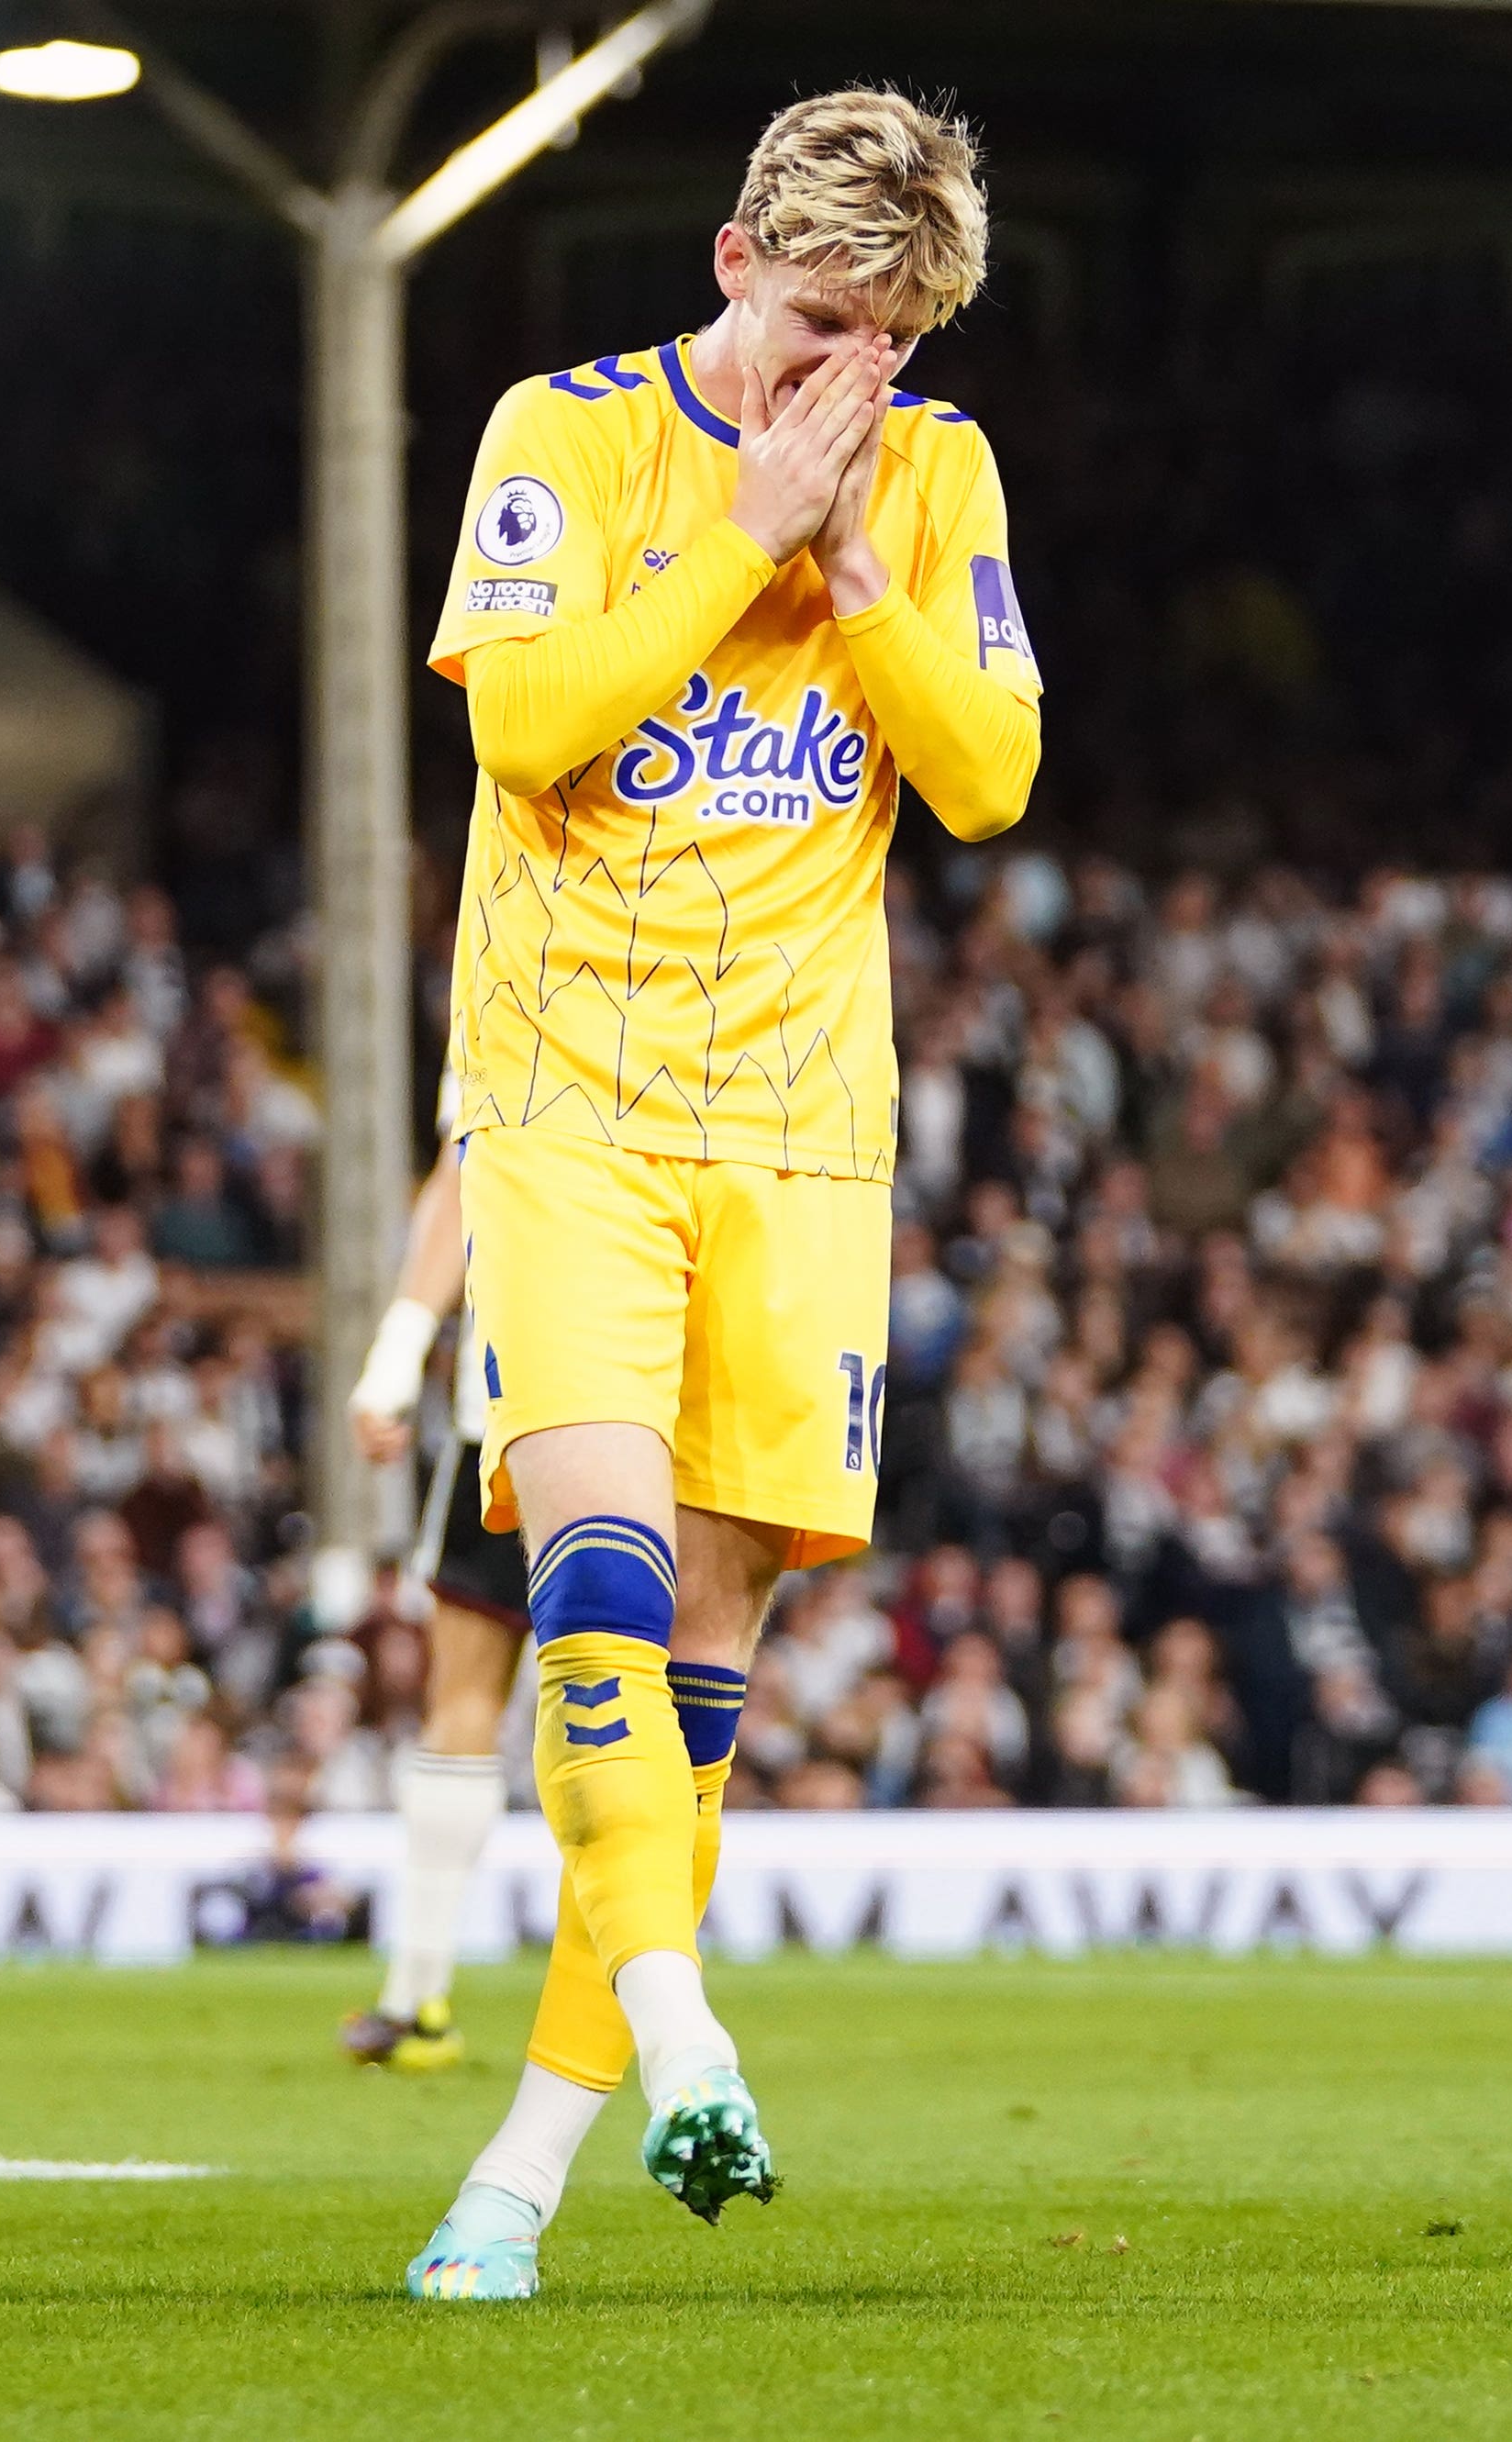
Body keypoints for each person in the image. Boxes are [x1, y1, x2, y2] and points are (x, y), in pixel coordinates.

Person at [402, 87, 1036, 2303]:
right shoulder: (560, 436)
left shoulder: (934, 479)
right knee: (583, 1566)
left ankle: (515, 2179)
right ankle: (681, 2025)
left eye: (884, 342)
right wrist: (735, 530)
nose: (839, 378)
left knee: (698, 1668)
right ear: (729, 264)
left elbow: (988, 773)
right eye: (813, 323)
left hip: (803, 1142)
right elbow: (525, 730)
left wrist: (852, 570)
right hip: (569, 1109)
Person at [336, 1079, 528, 2077]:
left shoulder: (505, 950)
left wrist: (397, 1346)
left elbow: (462, 1178)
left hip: (510, 1406)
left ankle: (418, 1994)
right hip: (654, 1407)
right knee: (652, 1706)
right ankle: (654, 2018)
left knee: (463, 1700)